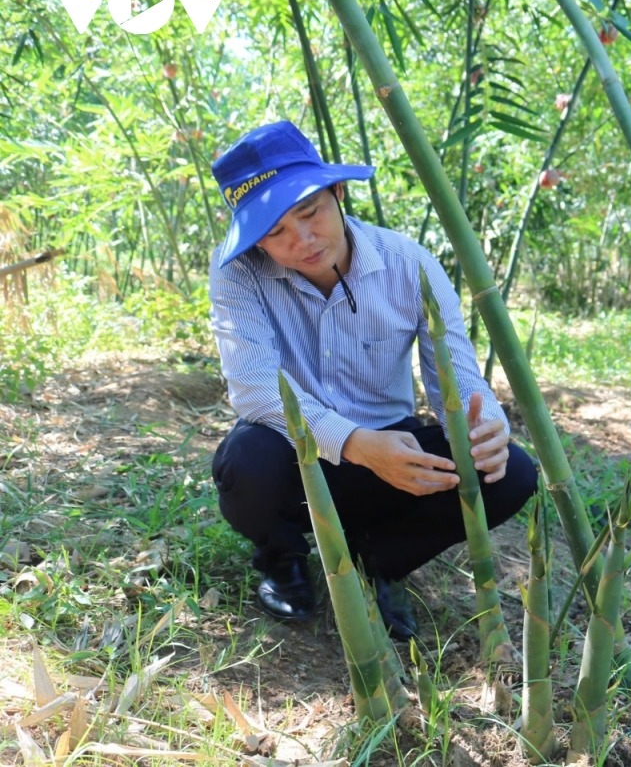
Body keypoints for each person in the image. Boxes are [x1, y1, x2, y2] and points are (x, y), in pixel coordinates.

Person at [207, 120, 537, 640]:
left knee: (512, 473)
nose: (303, 240)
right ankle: (283, 559)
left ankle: (379, 561)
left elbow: (456, 371)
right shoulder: (237, 274)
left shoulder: (409, 265)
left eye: (310, 212)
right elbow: (254, 389)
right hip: (297, 453)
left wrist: (486, 425)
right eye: (274, 232)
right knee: (247, 461)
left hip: (393, 453)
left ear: (337, 193)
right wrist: (355, 443)